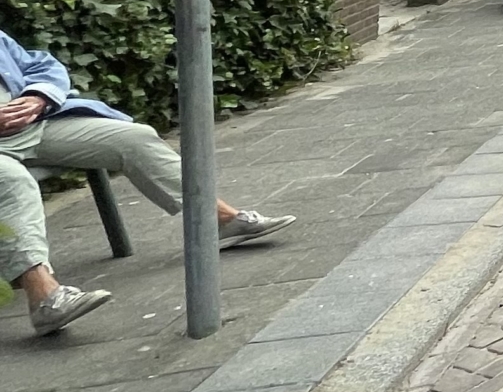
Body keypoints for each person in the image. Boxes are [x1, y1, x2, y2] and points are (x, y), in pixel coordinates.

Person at [4, 28, 295, 335]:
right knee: (12, 181)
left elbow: (41, 64)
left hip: (32, 127)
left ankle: (219, 219)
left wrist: (37, 97)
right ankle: (45, 299)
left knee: (135, 139)